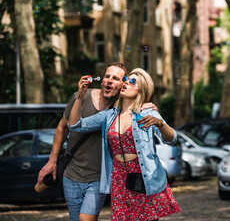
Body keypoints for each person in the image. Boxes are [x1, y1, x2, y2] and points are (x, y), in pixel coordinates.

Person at [68, 68, 181, 220]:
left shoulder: (148, 113)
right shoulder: (109, 116)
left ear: (142, 89)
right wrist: (80, 95)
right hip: (119, 178)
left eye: (133, 81)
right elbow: (75, 125)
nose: (126, 82)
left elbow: (173, 138)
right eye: (126, 79)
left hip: (144, 177)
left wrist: (160, 124)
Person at [37, 63, 127, 221]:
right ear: (102, 79)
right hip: (71, 175)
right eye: (107, 76)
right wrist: (52, 161)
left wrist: (147, 105)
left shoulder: (121, 109)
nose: (109, 80)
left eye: (115, 78)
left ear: (122, 85)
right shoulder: (82, 97)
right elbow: (62, 128)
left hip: (98, 178)